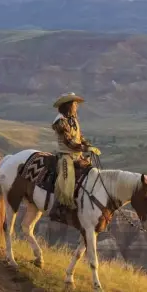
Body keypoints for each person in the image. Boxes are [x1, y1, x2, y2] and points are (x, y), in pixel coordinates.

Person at [49, 93, 100, 222]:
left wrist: (88, 144)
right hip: (66, 156)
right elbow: (69, 142)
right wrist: (85, 148)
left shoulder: (73, 119)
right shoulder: (60, 121)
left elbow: (79, 137)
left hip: (77, 155)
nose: (76, 106)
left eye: (77, 104)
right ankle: (60, 208)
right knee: (67, 180)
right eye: (74, 104)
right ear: (68, 105)